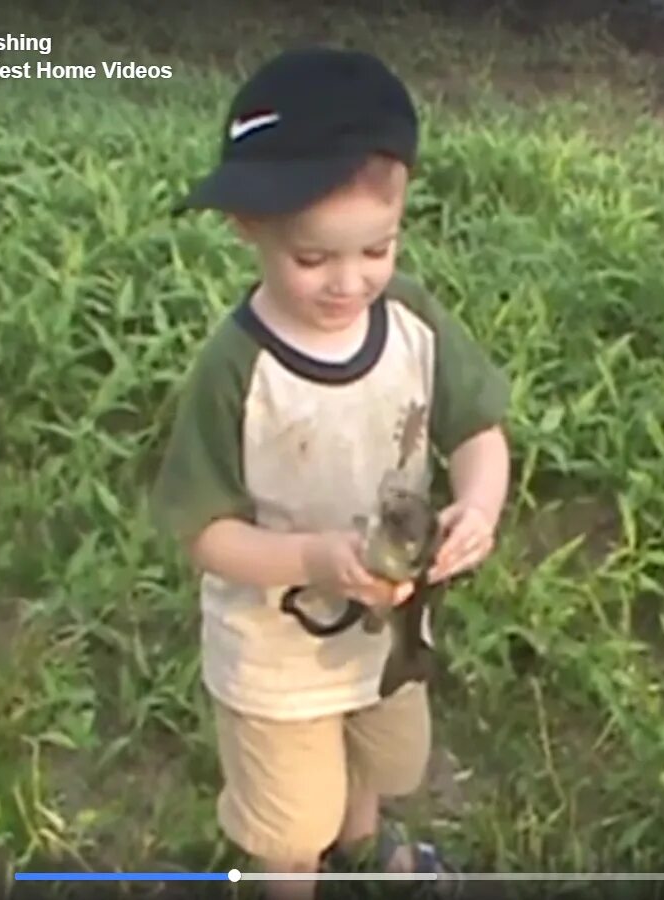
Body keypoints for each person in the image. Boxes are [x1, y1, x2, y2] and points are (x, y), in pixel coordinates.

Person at [151, 46, 511, 900]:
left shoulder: (412, 317)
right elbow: (204, 531)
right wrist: (314, 560)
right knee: (290, 821)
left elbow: (477, 429)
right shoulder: (236, 369)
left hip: (390, 621)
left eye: (376, 249)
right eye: (313, 259)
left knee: (381, 755)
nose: (349, 282)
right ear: (249, 226)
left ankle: (363, 840)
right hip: (276, 648)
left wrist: (480, 504)